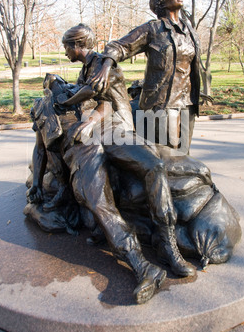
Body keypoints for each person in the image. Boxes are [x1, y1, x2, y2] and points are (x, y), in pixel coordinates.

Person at [60, 23, 197, 280]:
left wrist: (64, 101)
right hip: (103, 133)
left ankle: (168, 246)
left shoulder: (102, 65)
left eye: (66, 46)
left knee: (153, 166)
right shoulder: (87, 69)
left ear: (77, 45)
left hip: (119, 131)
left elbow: (99, 101)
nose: (65, 51)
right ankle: (106, 229)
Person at [27, 72, 167, 305]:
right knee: (101, 207)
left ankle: (154, 257)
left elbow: (105, 104)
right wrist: (35, 184)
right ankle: (141, 264)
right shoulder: (43, 108)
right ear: (45, 90)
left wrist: (91, 121)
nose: (55, 81)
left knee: (113, 199)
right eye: (50, 81)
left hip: (100, 143)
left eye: (59, 79)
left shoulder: (80, 92)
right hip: (81, 153)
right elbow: (41, 150)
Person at [89, 0, 201, 154]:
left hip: (187, 103)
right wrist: (106, 66)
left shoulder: (189, 31)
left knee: (183, 157)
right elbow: (119, 46)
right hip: (160, 105)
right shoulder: (153, 29)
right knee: (163, 156)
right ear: (161, 2)